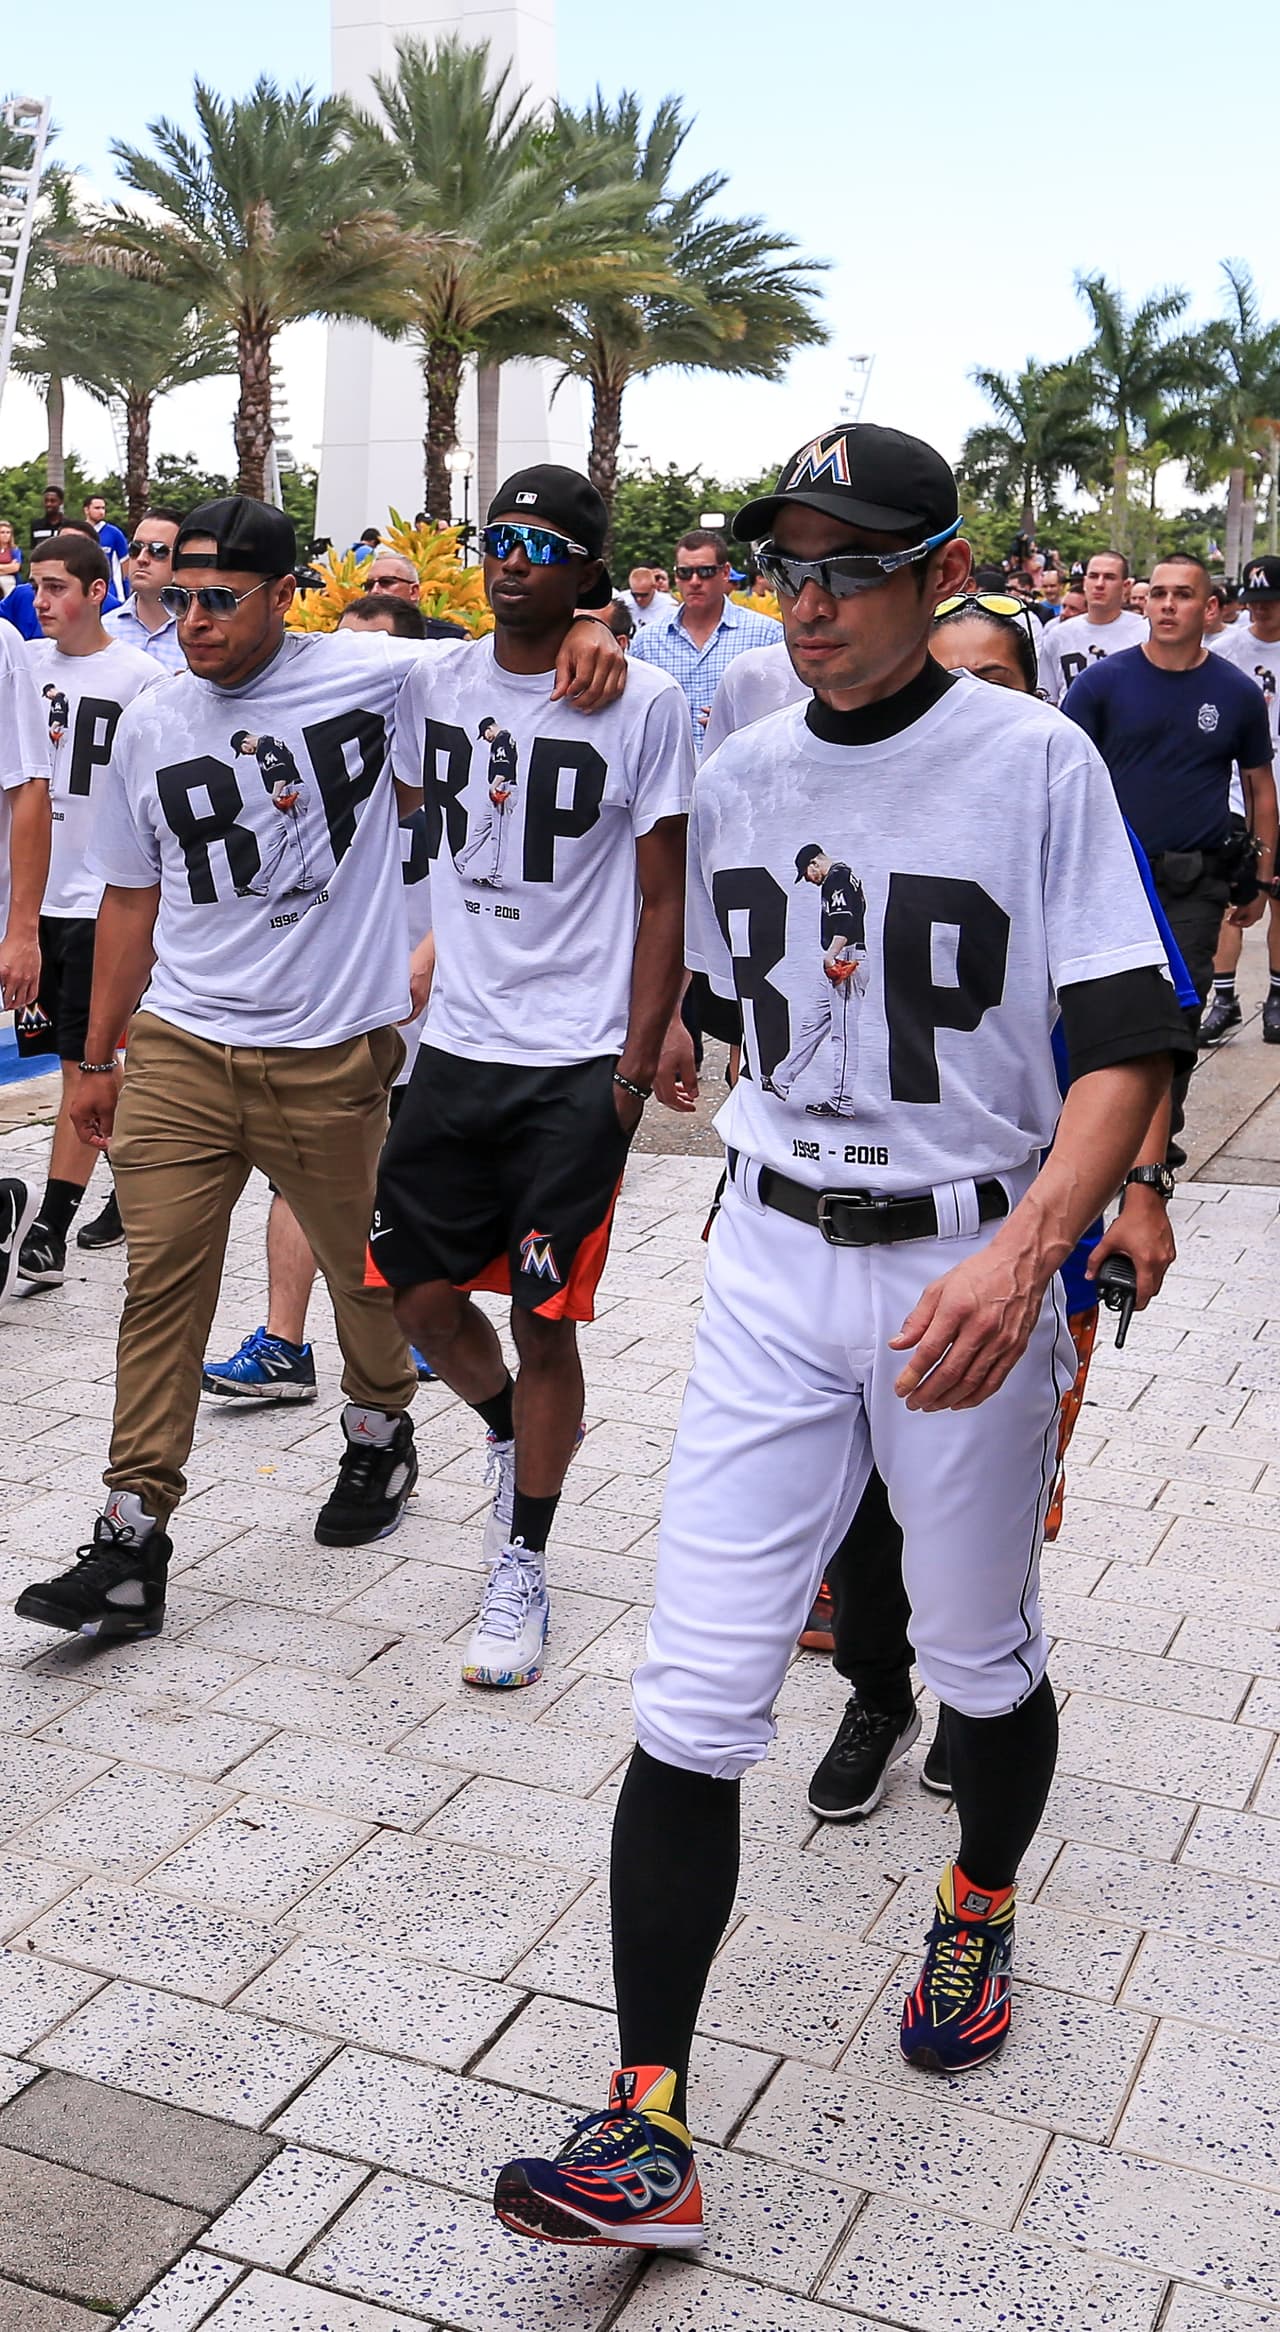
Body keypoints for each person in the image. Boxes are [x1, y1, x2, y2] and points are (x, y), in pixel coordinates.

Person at [493, 422, 1188, 2252]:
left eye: (850, 566)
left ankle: (978, 1892)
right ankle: (649, 2125)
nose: (810, 602)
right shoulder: (741, 764)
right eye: (787, 567)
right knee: (697, 1691)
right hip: (774, 1264)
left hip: (969, 1266)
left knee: (975, 1658)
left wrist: (1044, 1241)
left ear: (938, 570)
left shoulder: (1031, 760)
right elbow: (740, 1009)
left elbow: (1129, 1042)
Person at [11, 492, 624, 1646]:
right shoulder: (152, 720)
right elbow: (134, 902)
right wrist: (97, 1059)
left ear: (285, 595)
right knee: (161, 1291)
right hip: (185, 1045)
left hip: (330, 1051)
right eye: (176, 596)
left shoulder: (380, 677)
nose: (191, 620)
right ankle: (131, 1532)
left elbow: (517, 653)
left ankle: (378, 1431)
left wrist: (593, 615)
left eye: (218, 599)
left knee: (369, 1281)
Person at [807, 593, 1192, 1819]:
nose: (965, 693)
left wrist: (1136, 1191)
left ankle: (982, 1693)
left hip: (1027, 1230)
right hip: (856, 1242)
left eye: (995, 676)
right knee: (860, 1506)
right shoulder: (853, 814)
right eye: (947, 668)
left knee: (980, 1503)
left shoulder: (1065, 819)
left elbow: (1138, 1041)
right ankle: (878, 1686)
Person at [372, 466, 692, 1693]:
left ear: (588, 574)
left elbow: (663, 894)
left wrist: (630, 1057)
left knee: (545, 1313)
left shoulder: (644, 701)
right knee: (414, 1297)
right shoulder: (428, 682)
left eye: (543, 544)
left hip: (574, 1061)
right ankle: (507, 1433)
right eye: (496, 537)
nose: (512, 558)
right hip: (454, 1047)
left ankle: (524, 1557)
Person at [203, 583, 440, 1401]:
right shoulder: (299, 758)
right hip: (323, 1018)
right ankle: (282, 1344)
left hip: (426, 1016)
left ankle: (415, 1327)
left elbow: (486, 880)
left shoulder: (436, 757)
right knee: (296, 1181)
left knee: (402, 1185)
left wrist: (430, 953)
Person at [1062, 551, 1277, 1152]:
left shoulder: (1234, 692)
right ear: (1143, 601)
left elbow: (1261, 786)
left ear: (1208, 608)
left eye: (1182, 595)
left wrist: (1260, 881)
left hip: (1194, 883)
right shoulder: (1101, 683)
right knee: (1104, 1011)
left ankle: (1155, 1142)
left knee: (1179, 1015)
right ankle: (1103, 1134)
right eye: (1157, 594)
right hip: (1108, 878)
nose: (1167, 605)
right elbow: (1062, 770)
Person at [19, 534, 158, 1288]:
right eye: (34, 586)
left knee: (86, 1059)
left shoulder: (138, 676)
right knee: (52, 1055)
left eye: (55, 587)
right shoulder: (22, 668)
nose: (42, 601)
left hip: (96, 899)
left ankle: (51, 1222)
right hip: (27, 898)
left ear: (94, 591)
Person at [1201, 554, 1280, 1043]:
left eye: (1270, 601)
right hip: (1237, 789)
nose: (1260, 611)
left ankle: (1276, 994)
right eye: (1254, 602)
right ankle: (1223, 996)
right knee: (1231, 897)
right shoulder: (1227, 649)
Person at [629, 529, 782, 750]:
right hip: (668, 776)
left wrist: (743, 722)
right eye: (685, 573)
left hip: (742, 772)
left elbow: (789, 711)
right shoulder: (647, 641)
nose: (694, 581)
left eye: (705, 571)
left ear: (725, 572)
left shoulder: (767, 635)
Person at [1038, 550, 1147, 705]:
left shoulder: (1146, 632)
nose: (1099, 584)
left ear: (1126, 585)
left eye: (1109, 577)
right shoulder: (1057, 636)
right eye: (1093, 576)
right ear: (1084, 582)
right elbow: (1050, 700)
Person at [104, 512, 185, 672]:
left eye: (158, 550)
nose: (141, 558)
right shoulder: (104, 630)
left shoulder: (204, 636)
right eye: (135, 548)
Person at [83, 495, 130, 596]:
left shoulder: (114, 533)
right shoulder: (79, 532)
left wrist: (126, 590)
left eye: (103, 508)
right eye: (97, 508)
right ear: (86, 510)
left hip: (111, 591)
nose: (101, 511)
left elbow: (125, 563)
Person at [30, 487, 65, 552]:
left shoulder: (68, 525)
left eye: (53, 501)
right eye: (46, 501)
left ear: (61, 502)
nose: (49, 504)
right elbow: (33, 550)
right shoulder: (36, 525)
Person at [0, 521, 22, 596]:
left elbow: (15, 568)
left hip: (10, 581)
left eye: (8, 532)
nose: (5, 535)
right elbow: (11, 567)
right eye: (2, 532)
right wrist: (8, 566)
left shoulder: (14, 550)